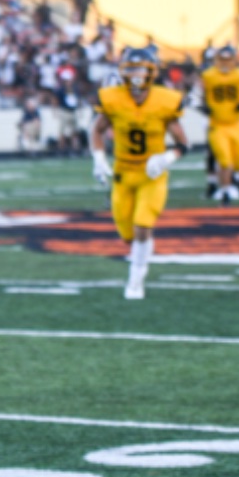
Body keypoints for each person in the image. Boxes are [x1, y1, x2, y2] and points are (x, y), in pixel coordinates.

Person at [92, 46, 189, 301]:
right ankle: (141, 254)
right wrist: (99, 159)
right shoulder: (112, 98)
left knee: (143, 226)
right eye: (131, 69)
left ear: (152, 71)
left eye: (141, 69)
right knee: (128, 236)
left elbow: (183, 143)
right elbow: (97, 130)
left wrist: (166, 157)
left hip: (152, 175)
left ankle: (136, 279)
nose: (136, 75)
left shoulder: (165, 100)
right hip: (123, 175)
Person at [197, 44, 239, 203]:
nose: (225, 63)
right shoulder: (208, 76)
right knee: (224, 159)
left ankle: (236, 178)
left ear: (234, 60)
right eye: (222, 59)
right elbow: (196, 96)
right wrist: (203, 107)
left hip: (237, 123)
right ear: (217, 60)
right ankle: (226, 191)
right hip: (217, 124)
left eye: (228, 59)